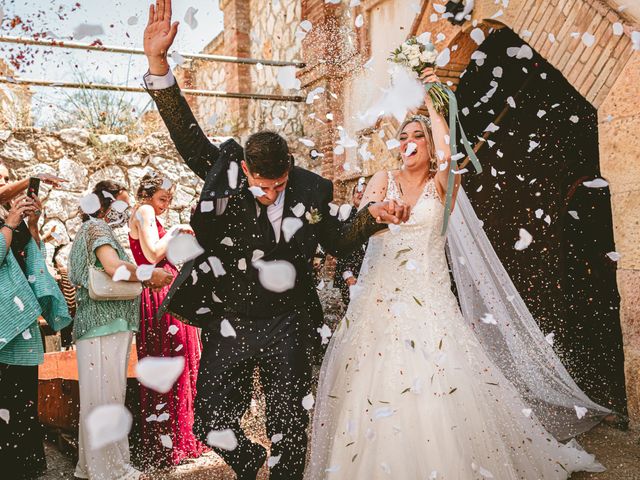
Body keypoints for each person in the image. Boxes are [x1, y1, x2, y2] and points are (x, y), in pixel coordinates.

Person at [142, 2, 408, 478]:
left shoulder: (312, 188)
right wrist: (159, 68)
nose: (269, 194)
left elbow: (339, 239)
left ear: (290, 173)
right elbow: (188, 136)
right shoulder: (225, 170)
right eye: (261, 185)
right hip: (231, 319)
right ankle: (248, 458)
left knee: (290, 426)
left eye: (278, 186)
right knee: (211, 422)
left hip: (287, 321)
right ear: (245, 169)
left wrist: (371, 217)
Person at [304, 70, 610, 479]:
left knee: (439, 379)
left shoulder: (444, 185)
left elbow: (449, 157)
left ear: (430, 146)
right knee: (370, 381)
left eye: (418, 136)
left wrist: (433, 101)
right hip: (379, 297)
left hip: (428, 298)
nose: (408, 142)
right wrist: (380, 212)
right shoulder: (383, 178)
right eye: (404, 136)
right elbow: (364, 216)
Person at [68, 180, 173, 480]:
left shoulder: (89, 230)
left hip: (97, 324)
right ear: (104, 204)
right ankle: (111, 470)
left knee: (96, 397)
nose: (125, 211)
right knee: (108, 397)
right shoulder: (97, 229)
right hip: (105, 323)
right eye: (121, 204)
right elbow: (114, 268)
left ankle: (92, 466)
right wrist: (149, 274)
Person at [128, 171, 208, 468]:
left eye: (170, 199)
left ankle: (175, 437)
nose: (166, 204)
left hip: (160, 290)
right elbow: (151, 255)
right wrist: (176, 229)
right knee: (176, 359)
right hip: (159, 293)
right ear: (148, 194)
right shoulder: (145, 210)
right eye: (163, 198)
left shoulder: (144, 212)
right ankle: (177, 439)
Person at [0, 163, 72, 480]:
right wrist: (11, 221)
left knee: (24, 400)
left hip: (23, 324)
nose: (4, 182)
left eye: (5, 176)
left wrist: (31, 223)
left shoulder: (8, 216)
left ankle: (25, 466)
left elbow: (32, 256)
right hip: (3, 324)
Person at [333, 179, 368, 306]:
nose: (360, 194)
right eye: (357, 192)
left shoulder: (375, 218)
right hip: (349, 274)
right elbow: (341, 246)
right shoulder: (346, 216)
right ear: (353, 196)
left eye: (364, 192)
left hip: (370, 273)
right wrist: (348, 275)